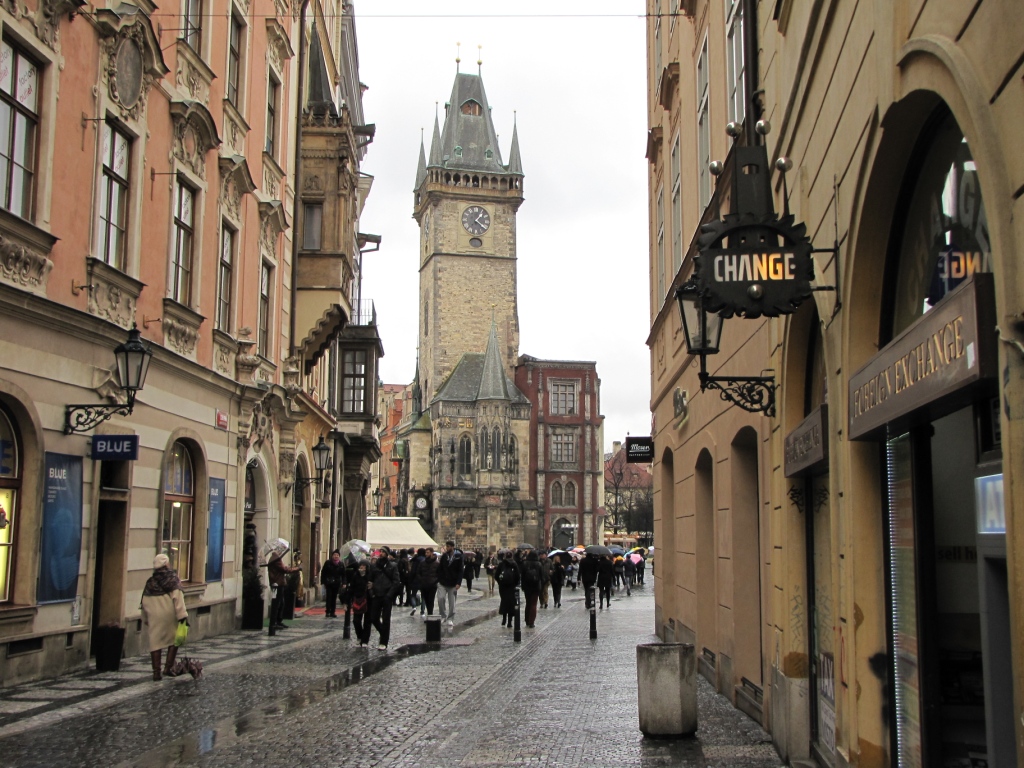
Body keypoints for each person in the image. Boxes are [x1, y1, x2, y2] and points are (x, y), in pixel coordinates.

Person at [141, 554, 188, 680]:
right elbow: (177, 597)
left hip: (153, 615)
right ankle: (168, 668)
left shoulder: (150, 581)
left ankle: (156, 672)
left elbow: (144, 600)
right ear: (166, 564)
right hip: (168, 614)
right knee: (174, 639)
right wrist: (182, 615)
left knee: (155, 641)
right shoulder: (172, 579)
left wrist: (145, 618)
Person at [369, 551, 402, 650]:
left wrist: (389, 594)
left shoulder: (392, 566)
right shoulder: (375, 566)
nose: (381, 553)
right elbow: (370, 580)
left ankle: (384, 642)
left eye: (383, 552)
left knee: (386, 619)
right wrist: (372, 592)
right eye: (381, 551)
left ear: (387, 554)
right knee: (373, 618)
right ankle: (383, 633)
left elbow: (396, 581)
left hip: (387, 595)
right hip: (376, 595)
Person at [268, 551, 300, 630]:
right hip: (278, 584)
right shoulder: (276, 559)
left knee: (280, 603)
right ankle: (274, 623)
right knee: (277, 603)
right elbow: (284, 569)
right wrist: (296, 569)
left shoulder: (273, 558)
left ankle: (277, 621)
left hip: (276, 584)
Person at [437, 541, 464, 627]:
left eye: (448, 546)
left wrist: (459, 582)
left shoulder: (458, 556)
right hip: (443, 582)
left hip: (453, 583)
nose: (447, 548)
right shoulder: (444, 556)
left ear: (452, 547)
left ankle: (450, 618)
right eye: (446, 546)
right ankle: (442, 615)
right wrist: (439, 578)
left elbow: (461, 570)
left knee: (452, 603)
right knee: (440, 598)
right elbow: (440, 568)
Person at [494, 550, 520, 627]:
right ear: (512, 556)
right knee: (511, 603)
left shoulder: (501, 564)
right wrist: (515, 584)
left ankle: (504, 619)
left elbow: (496, 575)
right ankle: (509, 622)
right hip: (511, 587)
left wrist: (500, 582)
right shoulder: (514, 564)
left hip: (503, 587)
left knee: (504, 601)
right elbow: (517, 576)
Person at [348, 560, 371, 646]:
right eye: (361, 566)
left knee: (367, 622)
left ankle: (365, 640)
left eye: (364, 566)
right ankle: (360, 636)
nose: (362, 567)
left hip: (368, 600)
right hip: (358, 600)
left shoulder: (370, 576)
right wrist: (347, 600)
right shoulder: (355, 575)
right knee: (356, 621)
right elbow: (351, 588)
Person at [320, 550, 346, 618]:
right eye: (335, 555)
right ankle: (328, 611)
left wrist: (344, 583)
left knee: (334, 598)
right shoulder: (328, 563)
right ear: (332, 556)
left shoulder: (341, 564)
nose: (336, 556)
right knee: (329, 597)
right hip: (329, 583)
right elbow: (323, 572)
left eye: (337, 555)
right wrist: (323, 582)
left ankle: (333, 612)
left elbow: (343, 574)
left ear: (339, 556)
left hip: (336, 583)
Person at [520, 551, 543, 628]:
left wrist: (523, 586)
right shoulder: (539, 564)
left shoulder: (525, 564)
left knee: (528, 603)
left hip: (527, 586)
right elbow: (541, 576)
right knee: (533, 604)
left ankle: (527, 620)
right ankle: (531, 622)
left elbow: (522, 576)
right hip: (536, 586)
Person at [415, 547, 440, 617]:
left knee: (431, 600)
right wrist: (421, 580)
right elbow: (418, 572)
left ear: (432, 553)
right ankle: (429, 613)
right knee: (426, 599)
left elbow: (439, 574)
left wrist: (435, 581)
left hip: (432, 585)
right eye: (425, 552)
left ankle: (430, 614)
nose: (426, 554)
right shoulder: (422, 562)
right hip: (424, 584)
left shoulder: (437, 563)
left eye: (428, 552)